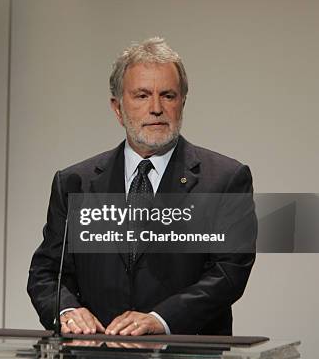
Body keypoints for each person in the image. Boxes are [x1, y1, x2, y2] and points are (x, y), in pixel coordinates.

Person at [27, 37, 256, 336]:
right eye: (142, 95)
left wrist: (161, 320)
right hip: (98, 353)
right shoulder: (76, 183)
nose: (156, 108)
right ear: (118, 108)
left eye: (168, 95)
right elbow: (47, 273)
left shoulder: (225, 179)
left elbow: (229, 273)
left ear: (182, 103)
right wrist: (68, 310)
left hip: (186, 352)